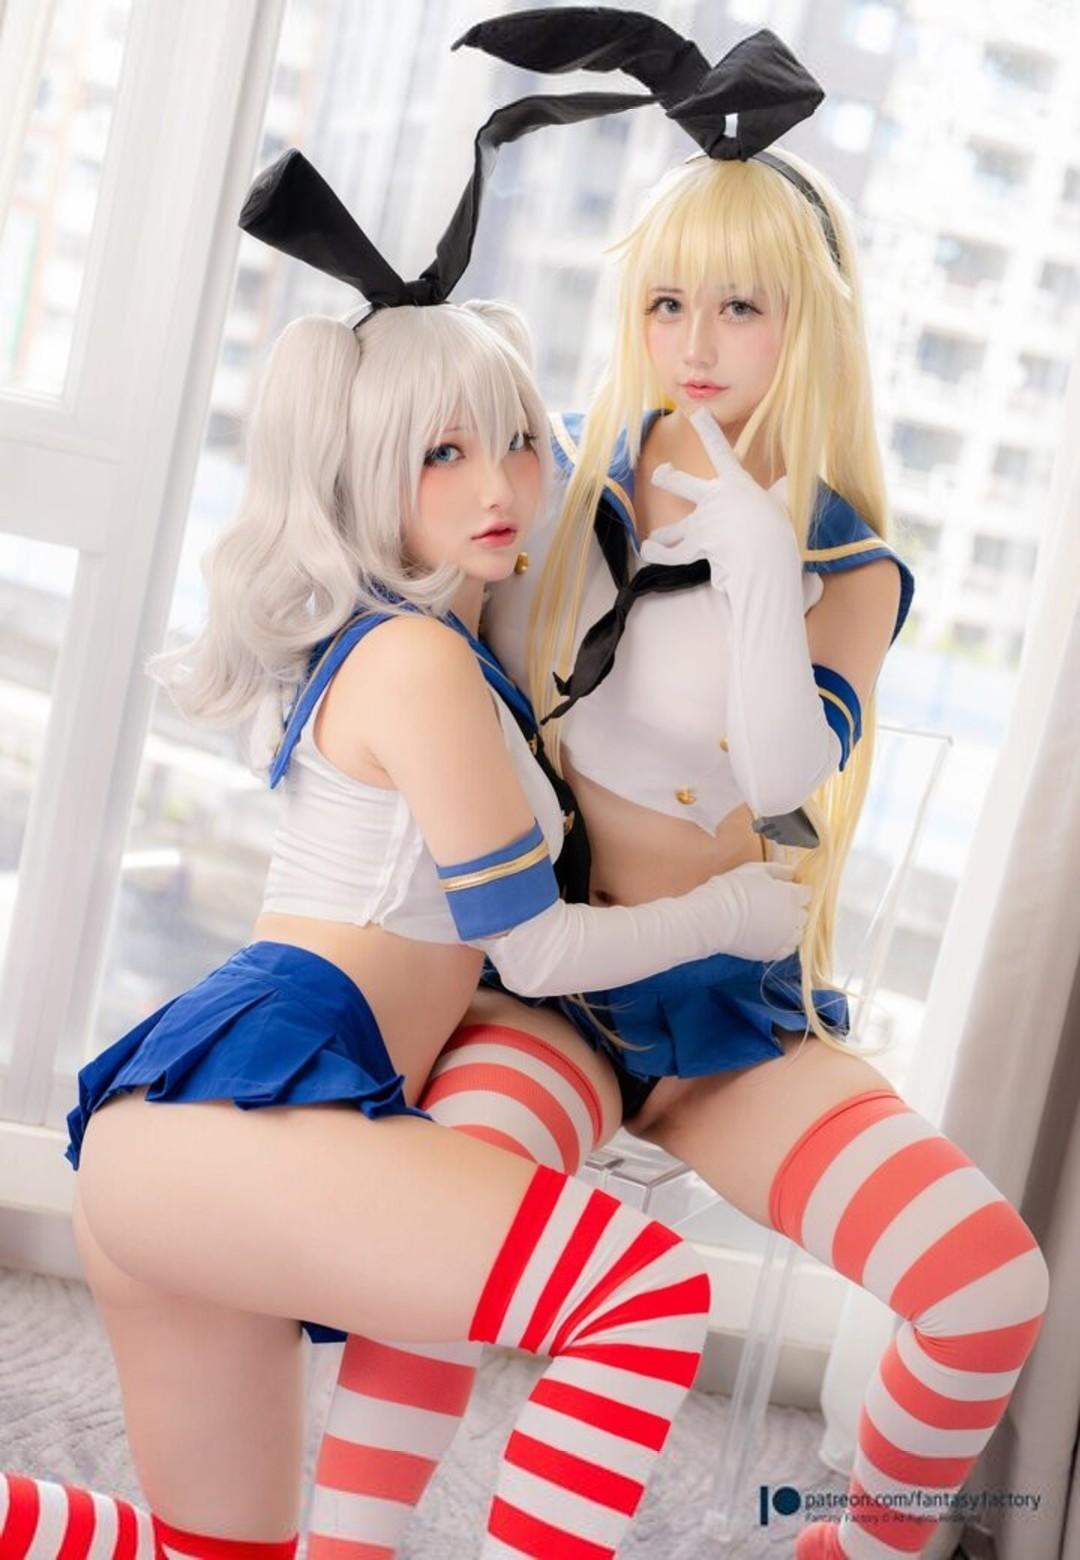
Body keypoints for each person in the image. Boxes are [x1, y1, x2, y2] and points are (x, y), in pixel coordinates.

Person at [0, 122, 815, 1560]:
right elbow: (534, 948)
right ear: (367, 475)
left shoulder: (426, 645)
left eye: (516, 440)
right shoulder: (418, 662)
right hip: (239, 1114)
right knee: (640, 1293)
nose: (496, 484)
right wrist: (732, 915)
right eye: (442, 453)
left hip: (199, 1142)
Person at [302, 15, 1051, 1560]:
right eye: (664, 301)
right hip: (547, 991)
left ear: (806, 324)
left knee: (988, 1287)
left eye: (739, 307)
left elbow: (786, 777)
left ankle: (857, 1549)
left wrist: (767, 573)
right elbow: (428, 654)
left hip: (729, 1019)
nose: (695, 342)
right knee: (441, 1249)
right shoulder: (553, 475)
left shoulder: (846, 558)